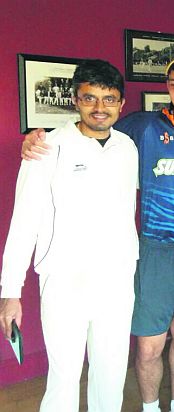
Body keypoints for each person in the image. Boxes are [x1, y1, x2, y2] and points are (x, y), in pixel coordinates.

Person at [20, 53, 174, 412]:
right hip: (157, 251)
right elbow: (90, 132)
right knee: (149, 345)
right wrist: (36, 139)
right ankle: (151, 407)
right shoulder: (142, 127)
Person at [0, 60, 138, 412]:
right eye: (90, 98)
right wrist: (10, 293)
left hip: (117, 280)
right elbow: (23, 223)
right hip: (64, 281)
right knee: (64, 377)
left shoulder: (127, 148)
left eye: (109, 99)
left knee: (111, 375)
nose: (99, 108)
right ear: (75, 100)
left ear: (121, 103)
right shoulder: (47, 147)